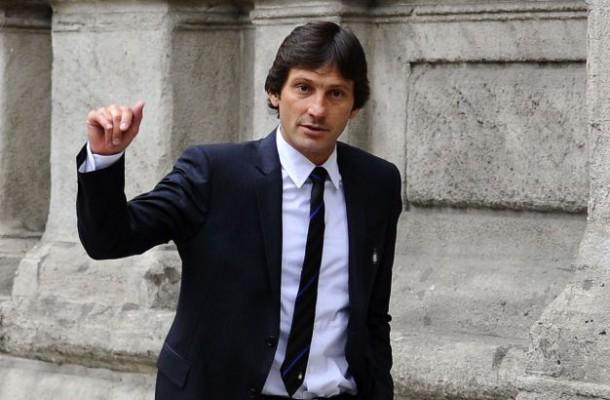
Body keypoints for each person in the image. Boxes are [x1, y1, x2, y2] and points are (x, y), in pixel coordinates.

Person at [76, 21, 402, 400]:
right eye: (303, 88)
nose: (317, 109)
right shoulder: (214, 173)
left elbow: (372, 312)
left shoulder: (376, 183)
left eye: (336, 93)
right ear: (274, 92)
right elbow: (109, 240)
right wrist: (104, 158)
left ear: (354, 107)